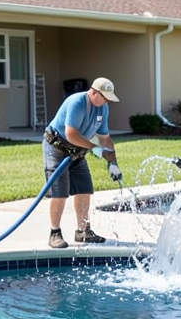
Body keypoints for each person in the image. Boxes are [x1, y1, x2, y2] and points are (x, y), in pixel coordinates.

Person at [42, 76, 123, 248]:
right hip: (56, 148)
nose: (107, 101)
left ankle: (83, 231)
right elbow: (71, 133)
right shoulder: (77, 102)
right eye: (105, 97)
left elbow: (105, 140)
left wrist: (113, 163)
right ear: (94, 92)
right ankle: (54, 233)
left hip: (78, 150)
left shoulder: (103, 108)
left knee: (84, 189)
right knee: (59, 192)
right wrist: (94, 148)